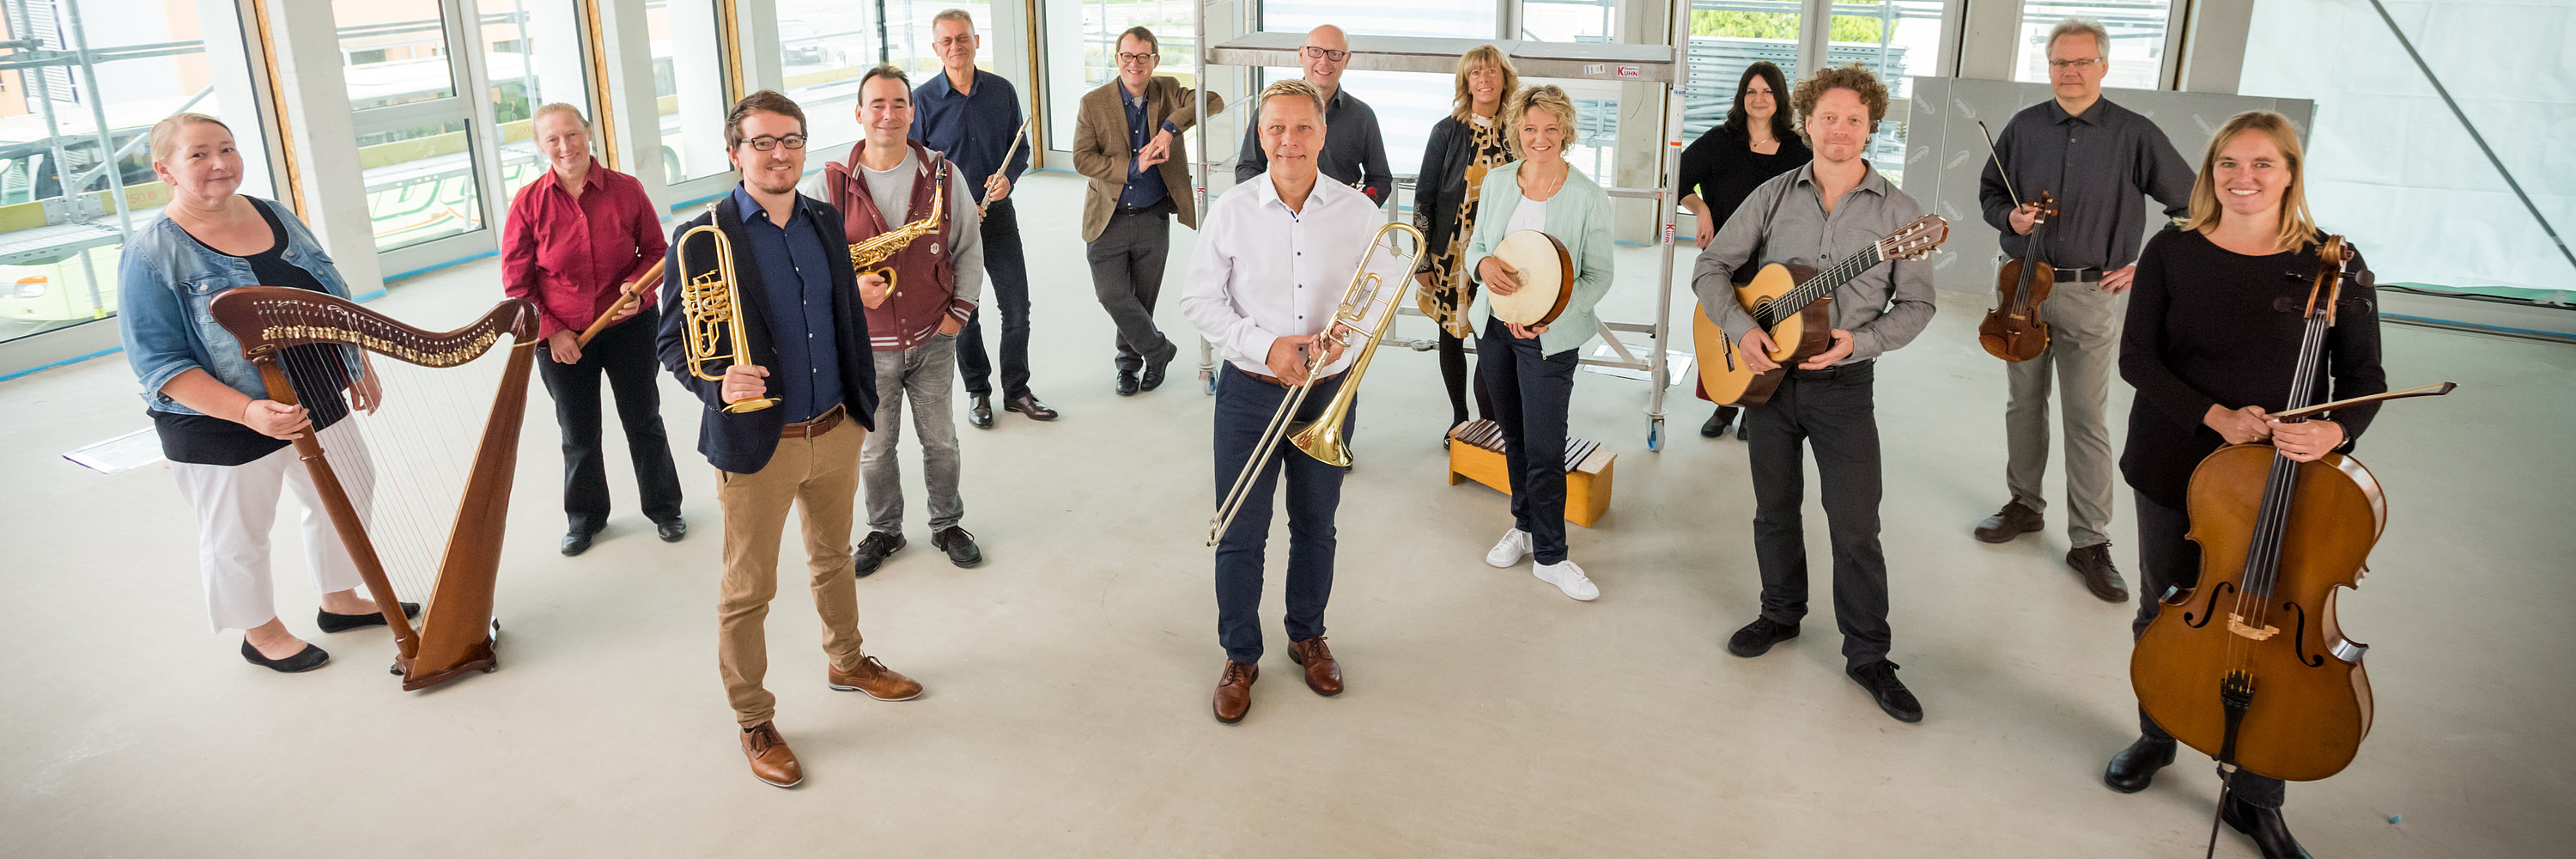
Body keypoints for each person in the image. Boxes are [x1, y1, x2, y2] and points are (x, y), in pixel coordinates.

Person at [2105, 110, 2382, 859]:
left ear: (2290, 172)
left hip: (2285, 483)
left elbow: (2363, 380)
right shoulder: (2172, 250)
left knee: (2270, 623)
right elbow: (2137, 359)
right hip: (2174, 461)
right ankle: (2156, 735)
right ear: (2210, 172)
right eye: (2229, 163)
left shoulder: (2336, 263)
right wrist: (2213, 415)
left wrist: (2333, 431)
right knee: (2169, 604)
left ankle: (2256, 795)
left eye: (2263, 164)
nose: (2244, 178)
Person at [659, 91, 920, 789]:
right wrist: (716, 387)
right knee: (749, 589)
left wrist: (861, 399)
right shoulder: (700, 238)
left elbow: (837, 316)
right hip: (758, 444)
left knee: (832, 557)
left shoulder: (825, 221)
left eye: (792, 141)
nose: (780, 154)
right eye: (764, 142)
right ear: (734, 152)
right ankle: (753, 717)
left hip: (835, 427)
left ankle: (847, 658)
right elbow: (671, 343)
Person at [118, 112, 414, 673]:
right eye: (199, 154)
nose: (219, 164)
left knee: (349, 489)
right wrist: (250, 411)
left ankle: (338, 598)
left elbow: (328, 292)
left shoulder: (273, 212)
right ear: (166, 170)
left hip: (313, 387)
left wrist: (357, 360)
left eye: (226, 148)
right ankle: (261, 632)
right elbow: (159, 365)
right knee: (238, 534)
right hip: (220, 418)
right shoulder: (151, 253)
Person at [1690, 65, 1936, 724]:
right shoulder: (1774, 195)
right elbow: (1710, 268)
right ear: (1807, 121)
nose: (1840, 129)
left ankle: (1868, 655)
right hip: (1768, 384)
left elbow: (1917, 305)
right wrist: (1741, 329)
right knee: (1774, 510)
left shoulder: (1901, 216)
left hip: (1843, 389)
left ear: (1871, 126)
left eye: (1854, 119)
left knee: (1855, 525)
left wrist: (1860, 343)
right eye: (1828, 116)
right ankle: (1780, 613)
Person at [1971, 18, 2194, 604]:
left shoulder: (2134, 133)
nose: (2069, 73)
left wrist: (2147, 265)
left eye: (2081, 62)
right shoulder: (2022, 128)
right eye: (2059, 63)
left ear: (2103, 66)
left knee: (2086, 416)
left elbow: (2194, 206)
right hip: (2021, 287)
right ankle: (2024, 505)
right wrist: (2010, 219)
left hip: (2092, 294)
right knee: (2023, 404)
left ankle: (2090, 540)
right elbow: (1992, 194)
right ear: (2048, 67)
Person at [1180, 79, 1378, 724]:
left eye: (1302, 129)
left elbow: (1379, 295)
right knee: (1240, 530)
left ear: (1323, 135)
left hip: (1326, 394)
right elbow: (1199, 301)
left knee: (1316, 525)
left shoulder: (1357, 213)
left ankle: (1307, 634)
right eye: (1275, 129)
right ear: (1260, 135)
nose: (1288, 142)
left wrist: (1345, 336)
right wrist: (1266, 348)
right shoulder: (1232, 209)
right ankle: (1240, 654)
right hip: (1249, 392)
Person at [802, 65, 988, 576]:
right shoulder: (827, 184)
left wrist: (960, 313)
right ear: (858, 114)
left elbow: (968, 247)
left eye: (899, 104)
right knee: (875, 449)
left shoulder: (945, 175)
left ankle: (947, 523)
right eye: (877, 105)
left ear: (913, 111)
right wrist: (848, 290)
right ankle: (884, 530)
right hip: (867, 346)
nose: (888, 114)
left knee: (941, 440)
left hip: (934, 336)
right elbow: (809, 268)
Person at [501, 103, 685, 557]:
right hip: (565, 339)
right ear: (541, 147)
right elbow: (517, 284)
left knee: (644, 420)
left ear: (588, 134)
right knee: (578, 433)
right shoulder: (528, 203)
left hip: (629, 327)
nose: (565, 147)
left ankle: (664, 508)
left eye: (572, 134)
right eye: (552, 140)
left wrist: (637, 289)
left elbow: (657, 252)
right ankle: (585, 518)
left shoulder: (626, 190)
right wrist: (551, 332)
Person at [1465, 85, 1615, 602]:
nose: (1540, 138)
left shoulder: (1589, 197)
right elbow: (1478, 248)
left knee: (1547, 446)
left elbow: (1598, 277)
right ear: (1517, 132)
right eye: (1530, 129)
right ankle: (1525, 527)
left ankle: (1552, 556)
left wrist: (1552, 314)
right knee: (1514, 435)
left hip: (1550, 338)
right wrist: (1481, 266)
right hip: (1496, 329)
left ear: (1566, 131)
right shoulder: (1500, 181)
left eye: (1551, 128)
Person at [911, 8, 1054, 429]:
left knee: (1016, 305)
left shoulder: (1001, 91)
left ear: (977, 41)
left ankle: (1017, 390)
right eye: (947, 41)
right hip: (951, 224)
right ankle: (979, 392)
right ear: (936, 48)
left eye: (963, 38)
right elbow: (916, 168)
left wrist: (1008, 178)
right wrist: (951, 200)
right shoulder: (921, 101)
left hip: (998, 216)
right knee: (962, 310)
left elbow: (1020, 149)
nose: (956, 46)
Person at [1073, 26, 1223, 397]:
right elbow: (1080, 158)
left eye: (1143, 56)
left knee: (1143, 299)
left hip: (1153, 215)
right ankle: (1159, 351)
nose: (1135, 64)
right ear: (1117, 59)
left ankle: (1130, 365)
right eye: (1127, 56)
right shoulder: (1094, 102)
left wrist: (1171, 127)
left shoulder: (1169, 90)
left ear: (1155, 60)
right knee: (1113, 295)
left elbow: (1214, 100)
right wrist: (1130, 168)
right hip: (1107, 216)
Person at [1677, 61, 1808, 441]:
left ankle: (1756, 402)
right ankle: (1724, 402)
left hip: (1780, 259)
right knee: (1727, 321)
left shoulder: (1799, 149)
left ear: (1779, 98)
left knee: (1773, 326)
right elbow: (1678, 175)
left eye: (1767, 91)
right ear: (1741, 97)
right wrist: (1700, 209)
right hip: (1730, 256)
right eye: (1751, 91)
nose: (1759, 98)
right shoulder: (1722, 140)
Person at [1410, 45, 1516, 440]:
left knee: (1494, 334)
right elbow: (1424, 196)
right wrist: (1421, 261)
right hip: (1451, 252)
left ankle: (1491, 421)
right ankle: (1459, 416)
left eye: (1491, 72)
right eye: (1475, 74)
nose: (1484, 79)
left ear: (1505, 78)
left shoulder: (1519, 130)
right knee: (1452, 335)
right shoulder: (1446, 130)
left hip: (1503, 253)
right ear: (1466, 82)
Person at [1233, 25, 1392, 207]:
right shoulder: (1271, 108)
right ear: (1301, 54)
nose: (1324, 61)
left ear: (1347, 60)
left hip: (1339, 222)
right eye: (1315, 51)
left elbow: (1380, 179)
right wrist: (1269, 209)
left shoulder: (1363, 116)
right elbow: (1248, 168)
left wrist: (1356, 210)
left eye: (1334, 53)